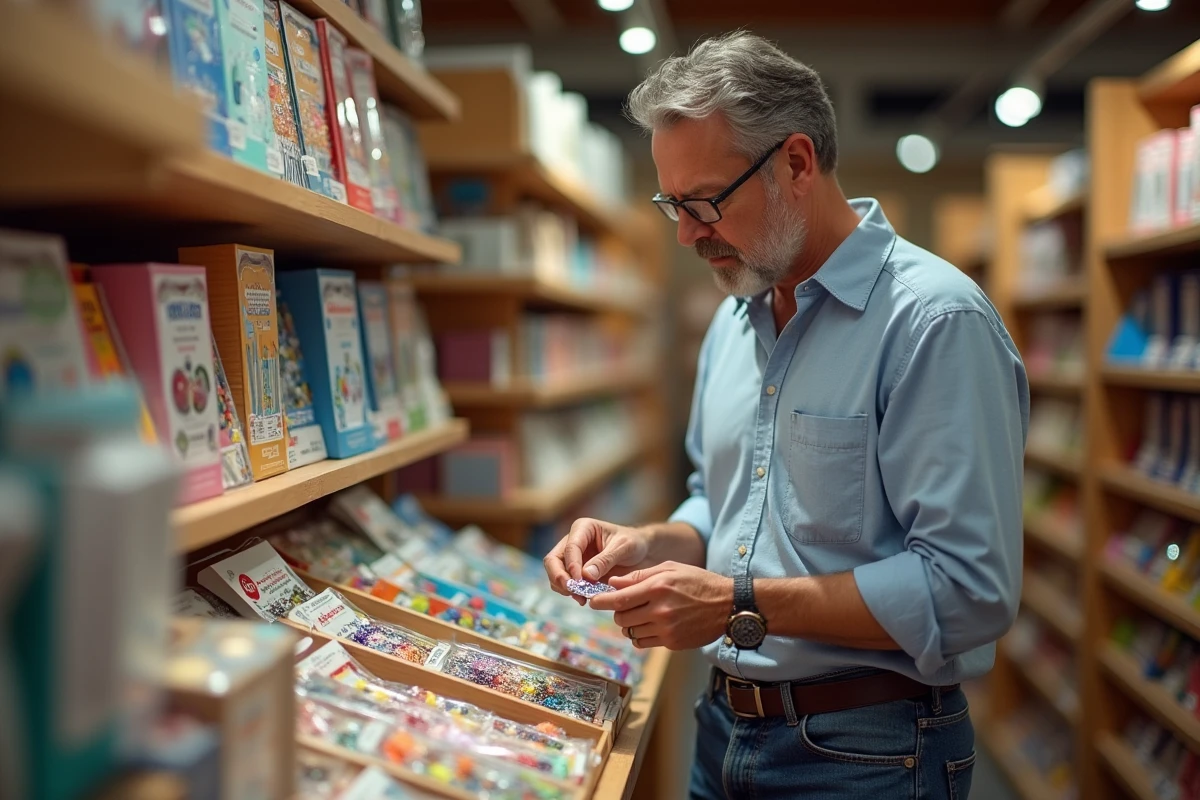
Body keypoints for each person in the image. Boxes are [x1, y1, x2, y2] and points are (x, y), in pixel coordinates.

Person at [542, 31, 1029, 800]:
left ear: (796, 163)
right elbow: (723, 503)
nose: (685, 233)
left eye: (704, 202)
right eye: (673, 203)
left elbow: (968, 589)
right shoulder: (733, 320)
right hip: (721, 729)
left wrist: (736, 604)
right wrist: (648, 543)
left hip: (869, 754)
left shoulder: (934, 322)